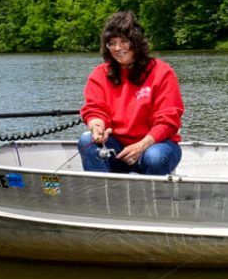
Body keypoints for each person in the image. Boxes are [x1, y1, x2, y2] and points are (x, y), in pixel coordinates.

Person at [79, 11, 184, 175]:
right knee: (87, 139)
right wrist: (97, 126)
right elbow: (95, 110)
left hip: (157, 144)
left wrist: (142, 145)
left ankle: (150, 199)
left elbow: (168, 120)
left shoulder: (162, 72)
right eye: (112, 43)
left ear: (136, 42)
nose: (118, 48)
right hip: (118, 148)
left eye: (124, 41)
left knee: (154, 156)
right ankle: (103, 195)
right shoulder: (100, 74)